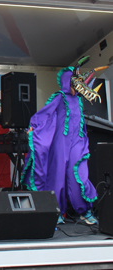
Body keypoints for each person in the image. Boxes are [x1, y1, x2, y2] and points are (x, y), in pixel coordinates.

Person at [21, 61, 105, 225]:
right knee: (57, 177)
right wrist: (34, 127)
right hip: (60, 144)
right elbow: (44, 114)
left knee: (79, 176)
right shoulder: (59, 97)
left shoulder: (78, 100)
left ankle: (85, 211)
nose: (80, 80)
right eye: (76, 77)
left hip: (77, 144)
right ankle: (57, 212)